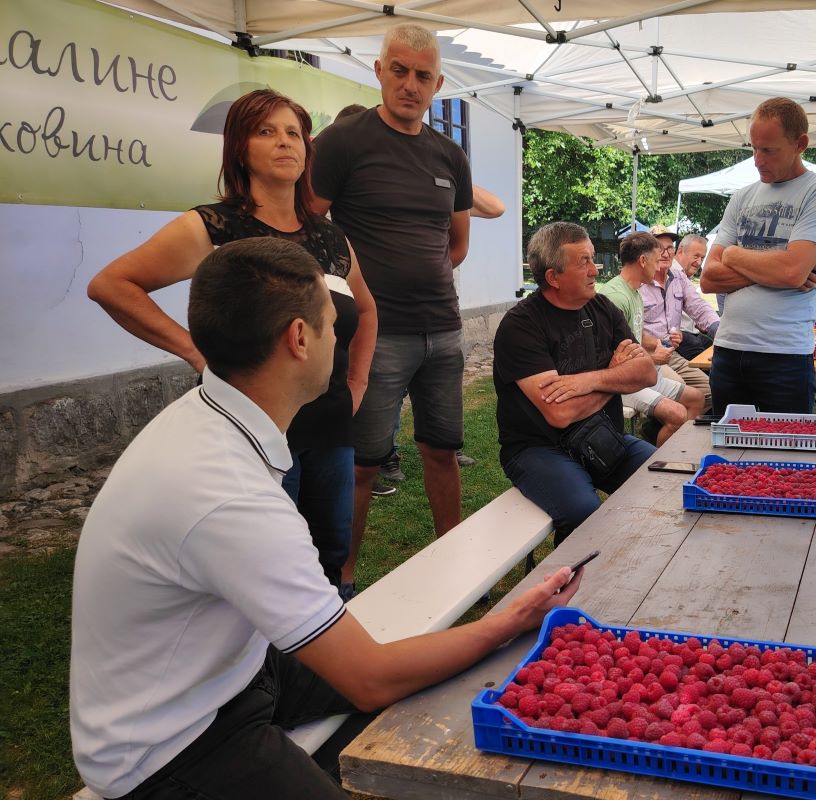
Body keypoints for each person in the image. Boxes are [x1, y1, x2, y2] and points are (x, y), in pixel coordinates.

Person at [70, 238, 581, 800]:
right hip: (167, 749)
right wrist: (509, 619)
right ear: (298, 338)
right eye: (333, 325)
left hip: (230, 676)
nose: (340, 337)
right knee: (429, 672)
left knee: (446, 678)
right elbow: (369, 677)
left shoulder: (208, 419)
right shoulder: (228, 493)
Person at [87, 89, 377, 599]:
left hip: (329, 424)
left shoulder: (330, 238)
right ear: (239, 149)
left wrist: (357, 380)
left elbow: (368, 309)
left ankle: (322, 660)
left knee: (329, 552)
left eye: (293, 133)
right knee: (268, 563)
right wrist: (196, 351)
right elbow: (112, 285)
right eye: (266, 131)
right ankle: (263, 669)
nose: (284, 143)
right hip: (253, 429)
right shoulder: (214, 227)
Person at [312, 24, 472, 594]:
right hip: (375, 337)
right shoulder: (343, 143)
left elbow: (456, 242)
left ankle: (452, 561)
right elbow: (308, 225)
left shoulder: (450, 155)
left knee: (442, 449)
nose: (410, 84)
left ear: (438, 83)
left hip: (443, 330)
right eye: (399, 70)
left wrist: (420, 279)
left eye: (422, 75)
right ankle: (343, 578)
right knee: (363, 463)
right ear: (378, 71)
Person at [494, 222, 658, 546]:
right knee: (585, 513)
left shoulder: (602, 308)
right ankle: (570, 588)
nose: (594, 270)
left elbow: (646, 373)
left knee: (664, 479)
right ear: (553, 278)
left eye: (593, 259)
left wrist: (592, 379)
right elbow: (561, 414)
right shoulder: (521, 326)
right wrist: (615, 376)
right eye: (583, 261)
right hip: (539, 449)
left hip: (604, 437)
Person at [699, 97, 816, 418]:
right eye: (754, 148)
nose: (757, 160)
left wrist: (733, 254)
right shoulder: (741, 196)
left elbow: (791, 271)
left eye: (769, 150)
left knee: (786, 457)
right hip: (728, 349)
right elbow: (709, 279)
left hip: (784, 355)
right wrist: (776, 266)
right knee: (730, 457)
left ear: (800, 144)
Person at [598, 232, 704, 445]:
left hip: (642, 374)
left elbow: (635, 341)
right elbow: (610, 359)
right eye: (656, 261)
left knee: (697, 399)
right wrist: (654, 359)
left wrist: (655, 351)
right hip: (621, 385)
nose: (659, 268)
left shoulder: (635, 291)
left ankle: (678, 456)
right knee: (677, 414)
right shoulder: (616, 298)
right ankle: (656, 468)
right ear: (643, 261)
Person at [641, 227, 720, 406]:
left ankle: (667, 428)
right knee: (684, 393)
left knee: (711, 390)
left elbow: (698, 306)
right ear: (645, 254)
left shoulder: (677, 276)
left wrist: (718, 329)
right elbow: (628, 333)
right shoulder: (638, 281)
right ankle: (660, 429)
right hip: (646, 356)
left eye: (670, 248)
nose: (666, 253)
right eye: (659, 248)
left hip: (671, 353)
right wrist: (656, 343)